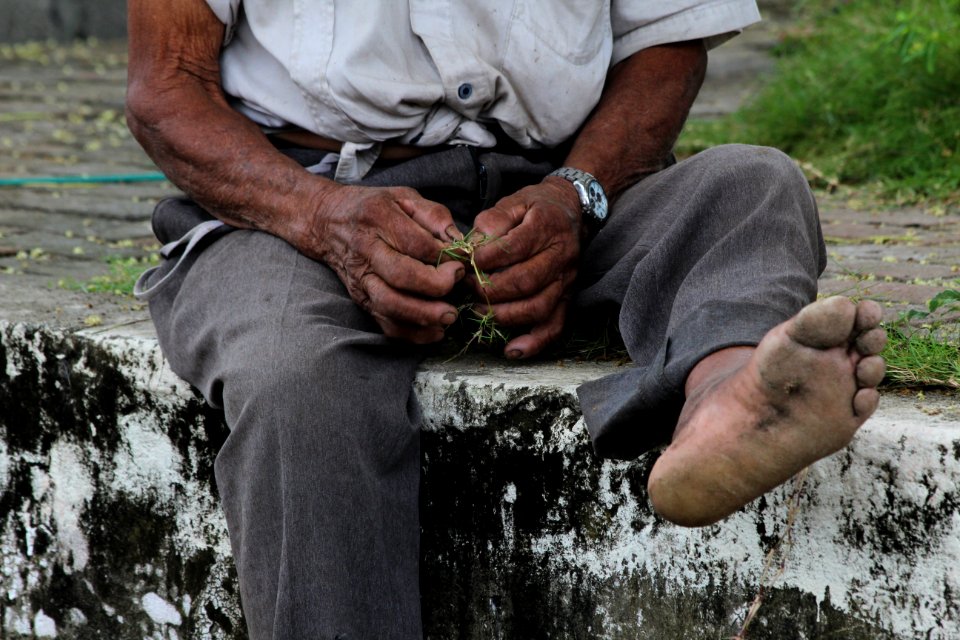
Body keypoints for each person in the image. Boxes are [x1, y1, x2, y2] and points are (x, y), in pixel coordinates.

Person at [126, 0, 887, 637]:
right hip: (300, 205)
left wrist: (575, 195)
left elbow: (667, 45)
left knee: (751, 184)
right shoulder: (309, 213)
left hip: (557, 189)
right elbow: (166, 89)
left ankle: (727, 392)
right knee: (297, 380)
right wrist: (325, 219)